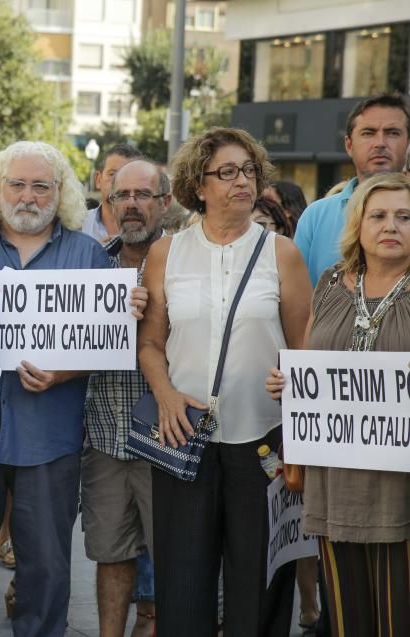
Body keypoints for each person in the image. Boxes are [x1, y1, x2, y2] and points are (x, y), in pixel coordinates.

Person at [138, 127, 311, 636]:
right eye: (227, 172)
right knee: (182, 579)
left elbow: (304, 347)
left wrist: (293, 383)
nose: (242, 181)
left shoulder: (282, 253)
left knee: (258, 580)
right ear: (199, 184)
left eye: (249, 170)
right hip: (183, 434)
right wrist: (165, 395)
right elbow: (149, 344)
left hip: (263, 441)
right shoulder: (166, 253)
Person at [0, 140, 116, 636]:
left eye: (40, 186)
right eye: (17, 184)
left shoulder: (88, 255)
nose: (28, 196)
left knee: (46, 560)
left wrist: (63, 372)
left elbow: (106, 343)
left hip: (49, 431)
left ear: (60, 193)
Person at [266, 172, 410, 637]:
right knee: (348, 619)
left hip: (400, 488)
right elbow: (310, 357)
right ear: (359, 224)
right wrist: (290, 384)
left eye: (405, 217)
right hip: (336, 483)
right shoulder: (330, 282)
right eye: (380, 215)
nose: (392, 226)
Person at [82, 159, 171, 637]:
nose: (132, 205)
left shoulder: (185, 261)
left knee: (176, 557)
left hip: (168, 436)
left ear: (165, 203)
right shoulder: (90, 262)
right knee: (110, 554)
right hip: (105, 436)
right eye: (123, 197)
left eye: (144, 195)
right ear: (109, 203)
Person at [294, 94, 410, 284]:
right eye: (368, 133)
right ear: (349, 145)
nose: (380, 143)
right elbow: (299, 301)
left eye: (392, 132)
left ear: (408, 144)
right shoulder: (316, 216)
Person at [81, 144, 142, 242]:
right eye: (112, 174)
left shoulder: (152, 231)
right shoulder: (78, 227)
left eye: (128, 175)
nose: (119, 181)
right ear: (98, 179)